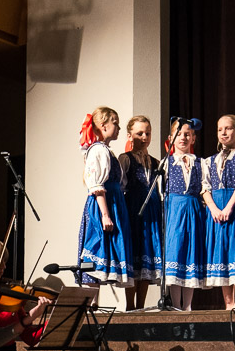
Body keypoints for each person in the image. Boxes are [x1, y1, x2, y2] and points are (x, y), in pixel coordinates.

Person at [202, 115, 235, 310]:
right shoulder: (209, 161)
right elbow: (205, 188)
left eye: (228, 128)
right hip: (216, 213)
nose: (223, 133)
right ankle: (227, 305)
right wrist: (214, 209)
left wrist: (229, 207)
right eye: (220, 129)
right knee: (222, 255)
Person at [76, 107, 133, 293]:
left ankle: (95, 306)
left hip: (112, 204)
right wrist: (105, 215)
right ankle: (92, 307)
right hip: (103, 206)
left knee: (105, 255)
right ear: (103, 125)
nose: (118, 128)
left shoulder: (106, 150)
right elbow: (96, 186)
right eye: (115, 123)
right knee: (96, 251)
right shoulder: (98, 150)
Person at [118, 116, 164, 311]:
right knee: (133, 258)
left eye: (147, 133)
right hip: (132, 211)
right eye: (139, 133)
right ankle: (129, 307)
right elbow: (121, 187)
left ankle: (141, 307)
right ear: (130, 135)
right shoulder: (125, 159)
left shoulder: (155, 162)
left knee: (146, 259)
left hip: (151, 214)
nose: (144, 137)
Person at [161, 118, 205, 311]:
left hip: (193, 211)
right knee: (175, 253)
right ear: (171, 138)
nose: (183, 137)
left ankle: (187, 306)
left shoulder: (200, 163)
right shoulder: (166, 163)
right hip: (174, 212)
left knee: (190, 254)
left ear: (193, 138)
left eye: (187, 134)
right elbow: (160, 192)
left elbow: (205, 188)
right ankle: (176, 306)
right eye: (179, 134)